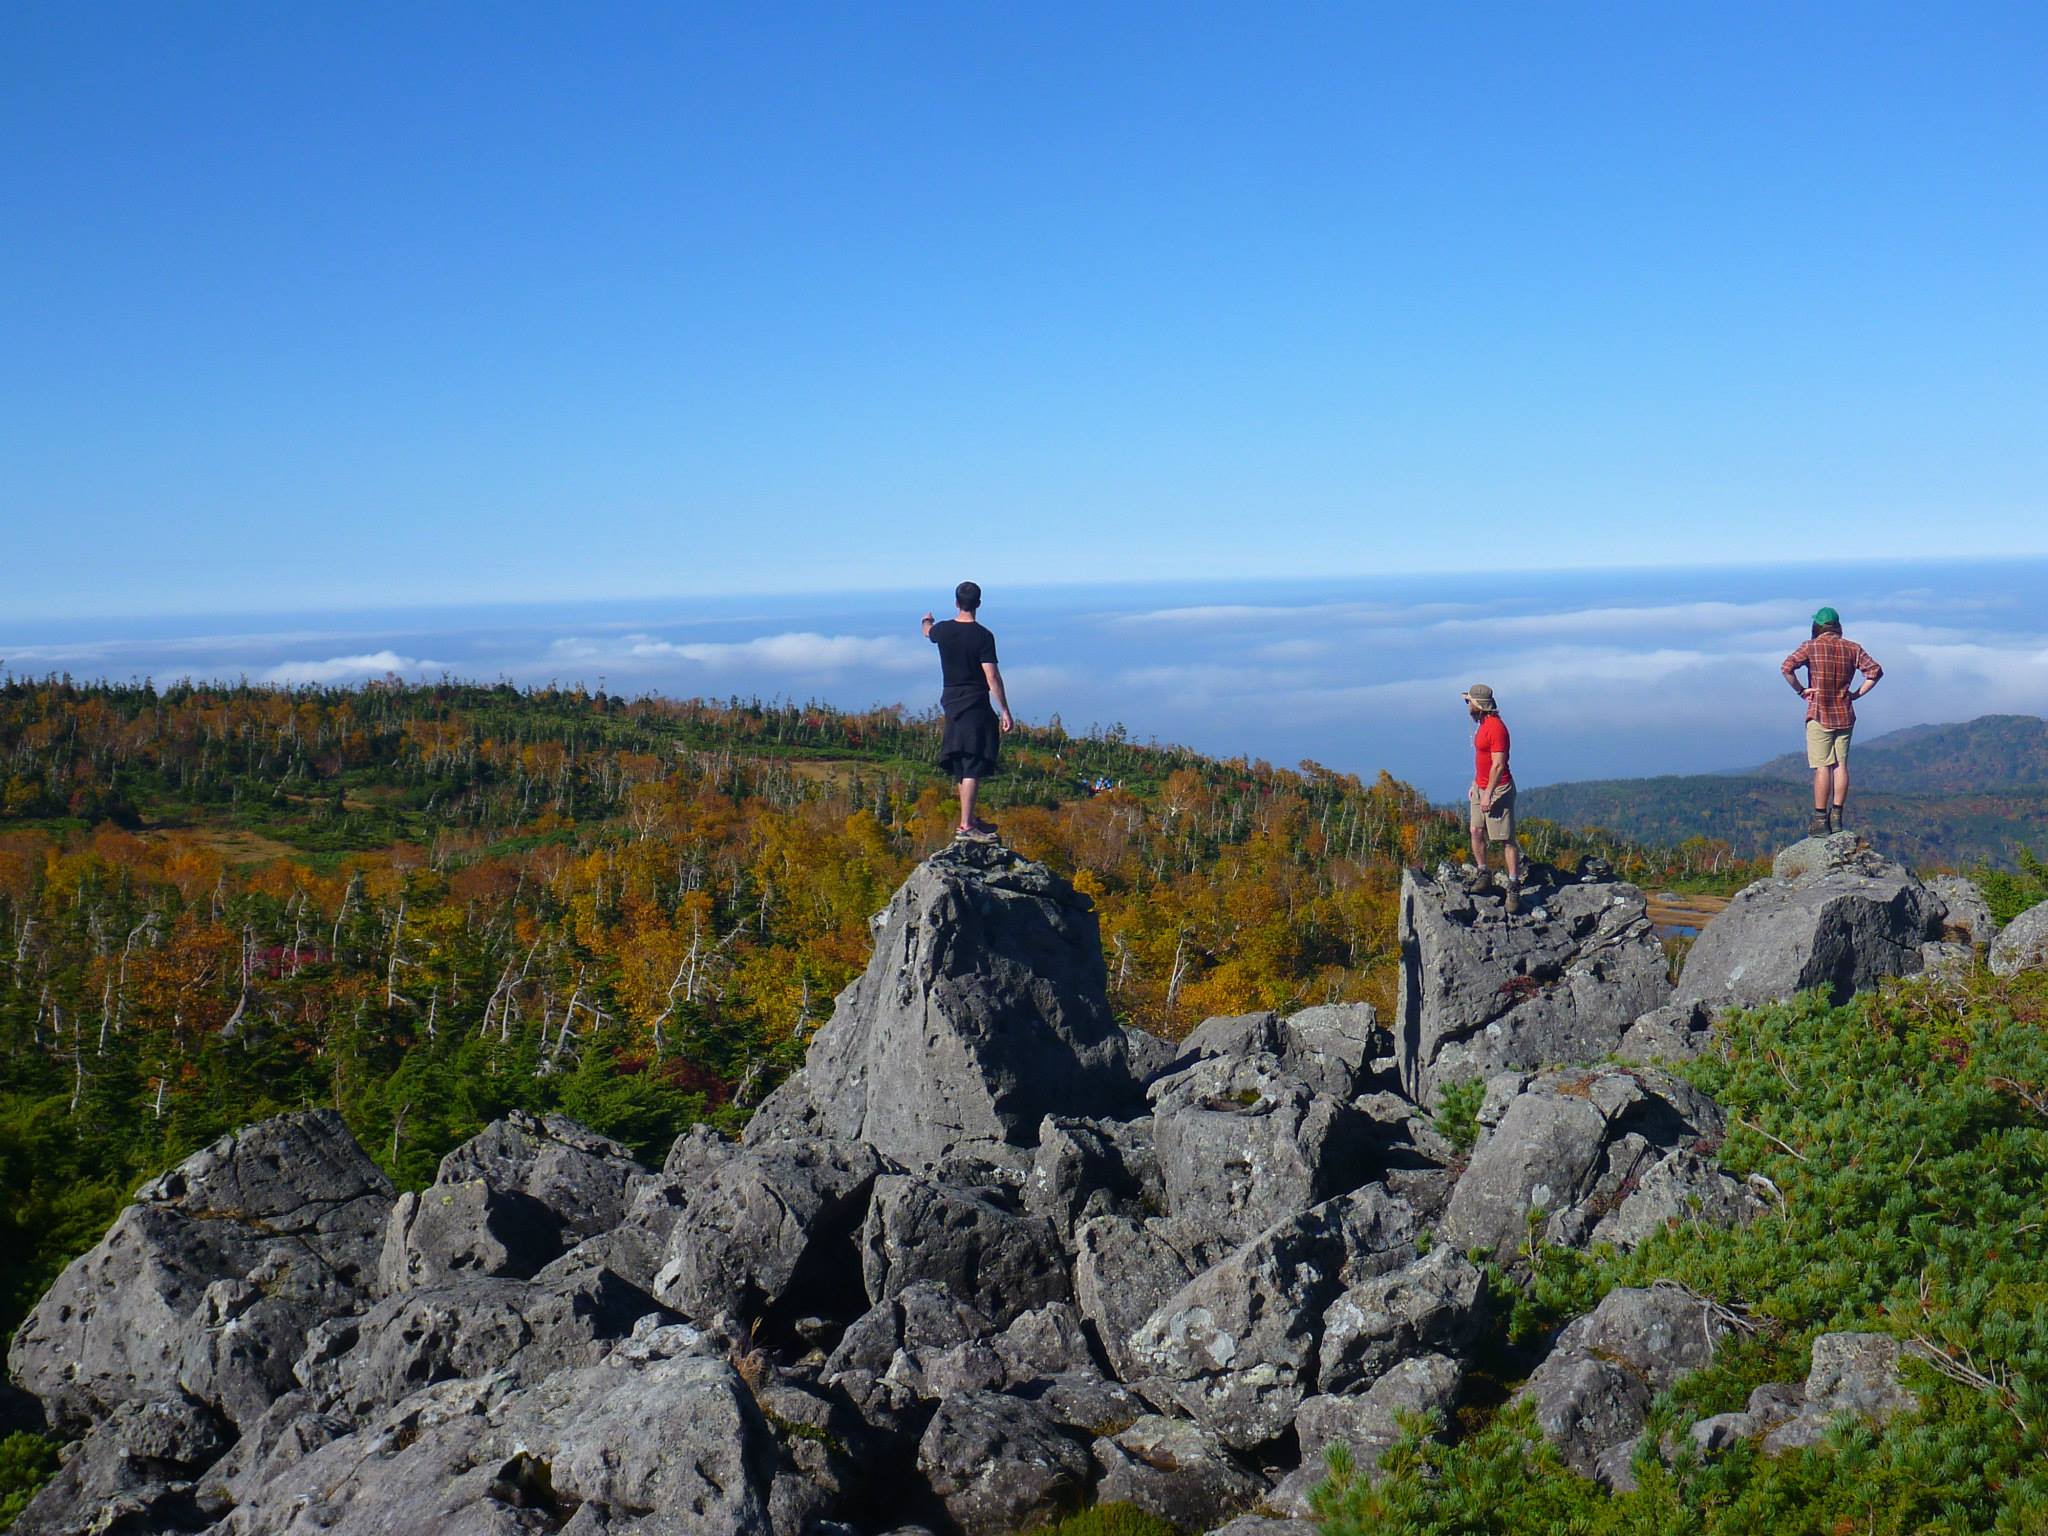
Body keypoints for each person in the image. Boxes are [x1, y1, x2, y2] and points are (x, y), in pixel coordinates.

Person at [922, 582, 1013, 839]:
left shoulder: (943, 630)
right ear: (979, 604)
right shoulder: (983, 636)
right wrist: (1005, 709)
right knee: (973, 762)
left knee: (963, 762)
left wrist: (926, 620)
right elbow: (992, 676)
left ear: (956, 602)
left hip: (951, 701)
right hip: (975, 703)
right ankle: (967, 826)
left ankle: (968, 819)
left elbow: (928, 632)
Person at [1780, 606, 1882, 837]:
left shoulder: (1811, 646)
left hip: (1819, 713)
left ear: (1817, 626)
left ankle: (1819, 819)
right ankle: (1837, 816)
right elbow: (1875, 671)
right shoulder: (1852, 648)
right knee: (1841, 765)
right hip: (1845, 713)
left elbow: (1786, 668)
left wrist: (1801, 691)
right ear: (1837, 626)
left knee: (1823, 767)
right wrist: (1856, 694)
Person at [1463, 684, 1521, 912]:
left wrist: (1488, 793)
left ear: (1478, 704)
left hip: (1498, 789)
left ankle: (1514, 885)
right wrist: (1475, 784)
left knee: (1506, 839)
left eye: (1469, 702)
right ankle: (1483, 872)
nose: (1467, 705)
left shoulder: (1496, 729)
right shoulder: (1484, 725)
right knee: (1476, 831)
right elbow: (1483, 760)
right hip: (1482, 786)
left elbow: (1498, 764)